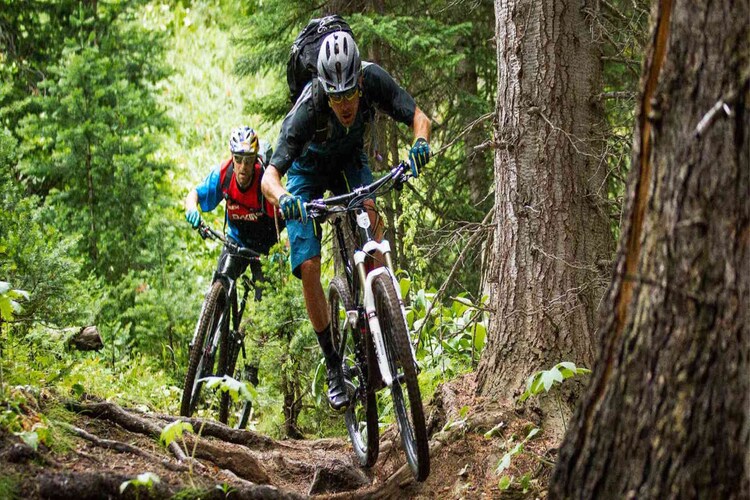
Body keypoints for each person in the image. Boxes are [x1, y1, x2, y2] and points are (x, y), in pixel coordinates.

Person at [261, 31, 431, 410]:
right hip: (306, 173)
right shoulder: (308, 108)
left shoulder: (373, 78)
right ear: (324, 89)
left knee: (370, 220)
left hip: (350, 162)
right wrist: (286, 199)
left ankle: (388, 323)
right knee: (309, 264)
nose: (345, 104)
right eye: (336, 97)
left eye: (350, 93)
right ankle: (333, 364)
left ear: (359, 82)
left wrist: (420, 143)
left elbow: (419, 117)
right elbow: (269, 178)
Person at [185, 126, 279, 385]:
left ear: (255, 160)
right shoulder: (225, 174)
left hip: (265, 248)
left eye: (248, 160)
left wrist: (281, 253)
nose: (243, 167)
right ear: (232, 158)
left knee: (262, 306)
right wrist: (192, 210)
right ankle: (205, 336)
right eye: (238, 159)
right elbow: (195, 194)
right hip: (236, 240)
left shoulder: (265, 182)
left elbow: (285, 223)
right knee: (221, 279)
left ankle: (252, 367)